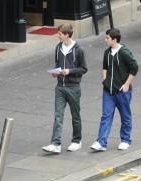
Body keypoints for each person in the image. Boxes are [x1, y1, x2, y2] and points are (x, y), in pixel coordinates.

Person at [90, 28, 138, 152]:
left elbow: (134, 68)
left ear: (114, 39)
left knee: (125, 116)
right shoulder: (107, 52)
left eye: (107, 38)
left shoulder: (124, 53)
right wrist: (105, 80)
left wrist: (127, 84)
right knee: (106, 116)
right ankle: (101, 142)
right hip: (108, 91)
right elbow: (105, 67)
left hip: (122, 92)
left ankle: (125, 140)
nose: (105, 40)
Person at [42, 23, 88, 154]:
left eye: (60, 34)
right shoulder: (58, 48)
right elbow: (57, 64)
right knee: (58, 115)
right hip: (60, 87)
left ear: (67, 35)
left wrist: (70, 71)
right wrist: (55, 72)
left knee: (75, 115)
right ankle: (55, 143)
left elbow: (84, 69)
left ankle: (77, 141)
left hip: (73, 87)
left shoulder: (79, 50)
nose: (58, 35)